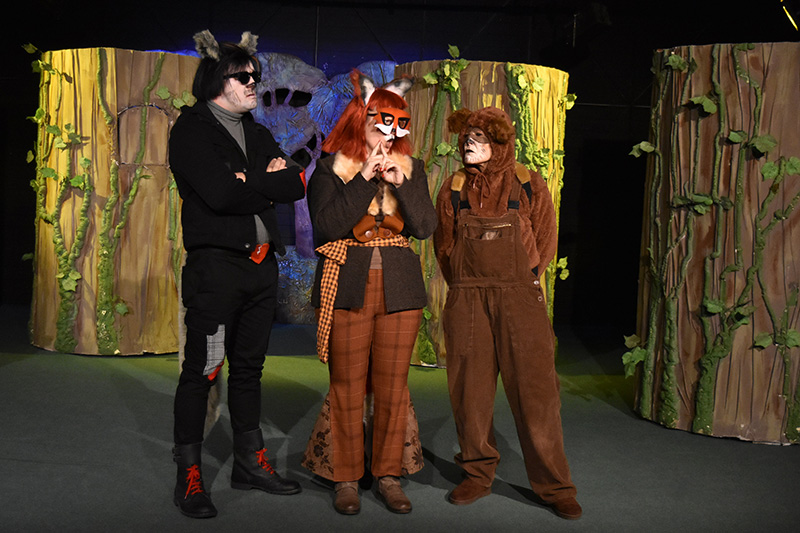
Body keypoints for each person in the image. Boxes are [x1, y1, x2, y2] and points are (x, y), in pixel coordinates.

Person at [168, 30, 307, 519]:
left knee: (249, 369)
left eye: (255, 75)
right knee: (203, 371)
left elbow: (295, 182)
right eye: (243, 76)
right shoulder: (191, 130)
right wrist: (265, 181)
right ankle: (189, 476)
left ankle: (250, 463)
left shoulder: (257, 131)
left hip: (261, 269)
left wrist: (255, 180)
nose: (253, 83)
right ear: (216, 81)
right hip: (217, 270)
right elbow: (222, 194)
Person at [433, 107, 582, 520]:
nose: (468, 144)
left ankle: (555, 486)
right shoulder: (453, 187)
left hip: (519, 298)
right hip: (469, 299)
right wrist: (466, 286)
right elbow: (444, 248)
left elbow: (546, 240)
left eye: (478, 138)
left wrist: (526, 279)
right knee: (470, 393)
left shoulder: (528, 183)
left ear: (499, 143)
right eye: (466, 137)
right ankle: (477, 474)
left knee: (537, 394)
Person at [301, 71, 437, 515]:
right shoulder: (331, 168)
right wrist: (362, 177)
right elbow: (327, 226)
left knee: (393, 387)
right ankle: (345, 477)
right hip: (348, 285)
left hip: (400, 289)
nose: (388, 134)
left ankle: (388, 475)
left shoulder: (411, 169)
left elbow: (425, 227)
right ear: (361, 121)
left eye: (397, 125)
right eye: (381, 123)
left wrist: (400, 182)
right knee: (346, 385)